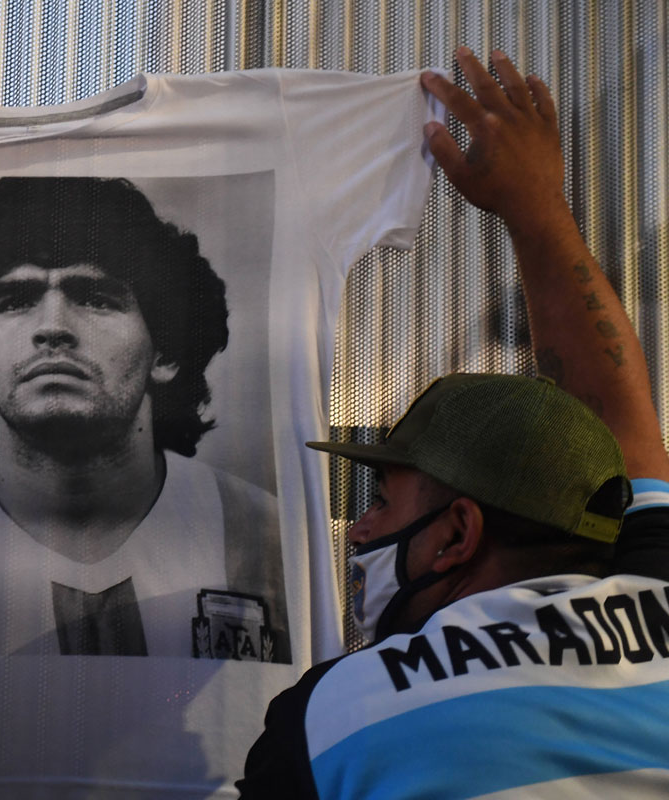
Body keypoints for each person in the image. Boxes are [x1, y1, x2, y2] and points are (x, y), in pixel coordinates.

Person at [236, 48, 669, 798]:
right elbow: (630, 445)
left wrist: (530, 206)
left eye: (381, 502)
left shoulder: (334, 720)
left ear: (459, 535)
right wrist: (537, 207)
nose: (361, 531)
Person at [0, 176, 291, 661]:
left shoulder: (267, 541)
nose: (53, 328)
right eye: (15, 301)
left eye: (96, 298)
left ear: (164, 352)